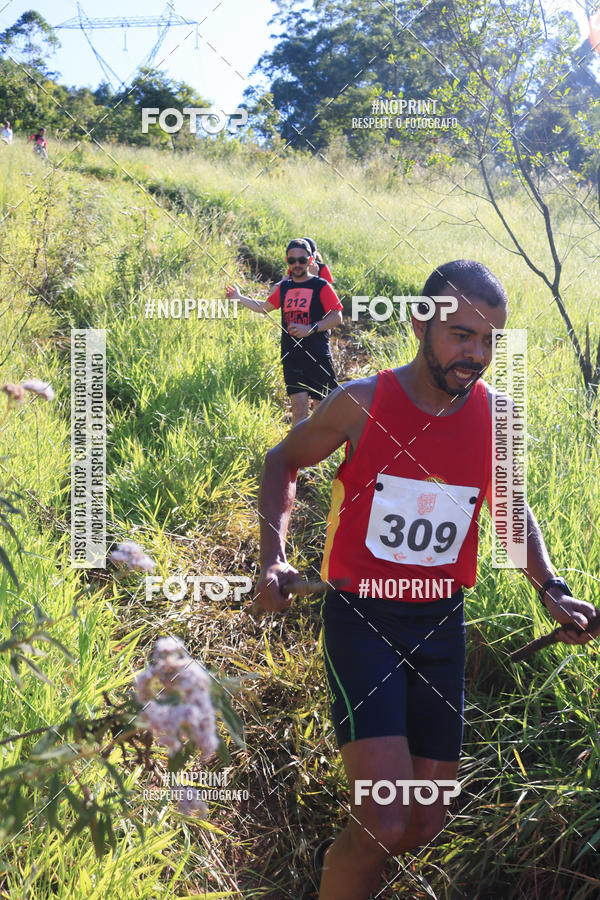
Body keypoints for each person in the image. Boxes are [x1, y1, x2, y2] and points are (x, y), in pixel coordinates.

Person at [254, 259, 598, 900]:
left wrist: (551, 589)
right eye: (461, 334)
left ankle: (341, 865)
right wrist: (272, 556)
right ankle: (346, 871)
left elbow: (510, 511)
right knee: (385, 818)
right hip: (364, 617)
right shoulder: (362, 402)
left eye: (490, 339)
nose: (476, 354)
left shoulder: (495, 420)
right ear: (420, 324)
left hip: (442, 624)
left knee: (424, 818)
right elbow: (283, 461)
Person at [226, 239, 343, 426]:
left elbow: (337, 317)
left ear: (311, 260)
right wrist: (238, 298)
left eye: (302, 260)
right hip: (292, 354)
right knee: (298, 408)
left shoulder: (321, 286)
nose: (297, 264)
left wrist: (310, 328)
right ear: (287, 261)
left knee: (321, 410)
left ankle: (321, 453)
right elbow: (263, 308)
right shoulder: (284, 287)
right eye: (292, 261)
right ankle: (299, 452)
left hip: (318, 354)